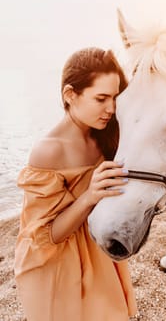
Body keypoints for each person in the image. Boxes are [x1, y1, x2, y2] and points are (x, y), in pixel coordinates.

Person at [14, 47, 137, 321]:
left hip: (98, 252)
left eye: (115, 98)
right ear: (70, 95)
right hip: (58, 265)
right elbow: (45, 238)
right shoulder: (48, 151)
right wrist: (89, 196)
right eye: (101, 98)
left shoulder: (105, 135)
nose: (111, 108)